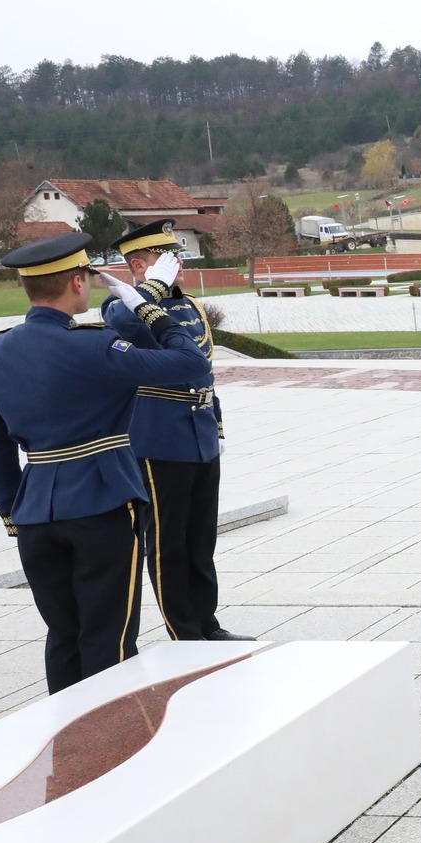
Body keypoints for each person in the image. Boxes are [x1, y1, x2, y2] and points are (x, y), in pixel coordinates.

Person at [0, 230, 213, 690]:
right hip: (101, 505)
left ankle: (67, 750)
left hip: (34, 514)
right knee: (108, 639)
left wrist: (13, 510)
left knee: (64, 636)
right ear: (76, 283)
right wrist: (149, 306)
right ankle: (108, 751)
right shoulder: (93, 347)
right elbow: (191, 364)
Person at [98, 221, 248, 640]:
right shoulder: (121, 306)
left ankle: (207, 623)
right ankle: (184, 630)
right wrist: (152, 290)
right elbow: (121, 325)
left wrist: (214, 423)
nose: (177, 262)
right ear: (139, 265)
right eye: (165, 258)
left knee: (201, 539)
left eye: (175, 255)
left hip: (199, 434)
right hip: (158, 437)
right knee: (167, 543)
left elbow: (206, 369)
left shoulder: (191, 307)